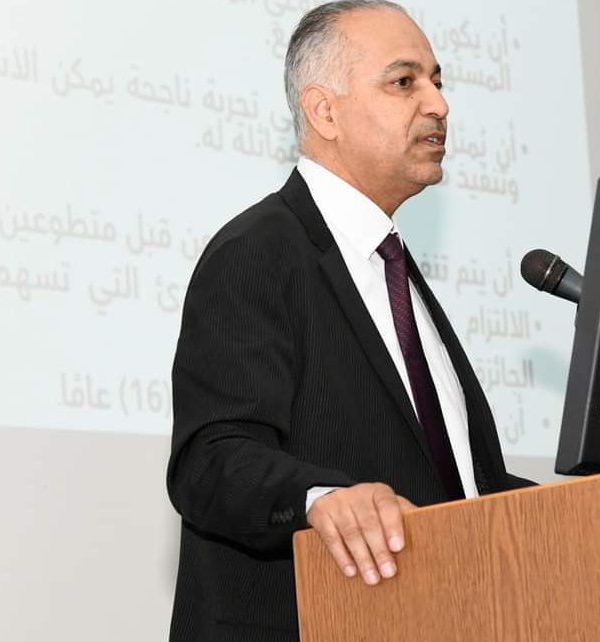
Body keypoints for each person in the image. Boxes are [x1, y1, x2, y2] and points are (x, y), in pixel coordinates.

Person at [166, 2, 534, 640]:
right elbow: (210, 459)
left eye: (437, 81)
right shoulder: (257, 252)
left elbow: (456, 487)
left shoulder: (394, 268)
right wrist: (322, 498)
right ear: (324, 112)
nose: (439, 105)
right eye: (404, 81)